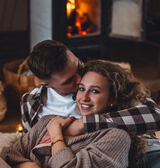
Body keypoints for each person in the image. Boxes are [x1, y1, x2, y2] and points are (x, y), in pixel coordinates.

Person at [0, 60, 133, 168]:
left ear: (112, 99)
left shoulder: (114, 137)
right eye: (82, 89)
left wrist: (56, 134)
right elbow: (8, 153)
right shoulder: (50, 121)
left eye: (95, 91)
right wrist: (28, 167)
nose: (84, 97)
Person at [21, 40, 160, 136]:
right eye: (69, 80)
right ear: (46, 84)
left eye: (79, 66)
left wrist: (84, 124)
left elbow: (155, 115)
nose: (80, 79)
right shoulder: (30, 102)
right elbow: (27, 143)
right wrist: (27, 166)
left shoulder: (101, 74)